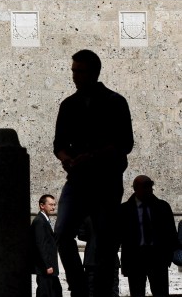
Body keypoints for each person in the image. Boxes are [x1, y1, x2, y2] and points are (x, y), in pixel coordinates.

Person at [53, 49, 134, 297]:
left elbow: (125, 143)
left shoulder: (115, 102)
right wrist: (66, 158)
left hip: (105, 181)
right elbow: (58, 145)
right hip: (76, 179)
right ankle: (78, 287)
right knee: (62, 233)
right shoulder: (68, 105)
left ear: (93, 72)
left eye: (79, 71)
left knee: (105, 241)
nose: (74, 76)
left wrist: (93, 156)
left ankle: (101, 291)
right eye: (73, 71)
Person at [119, 175, 177, 297]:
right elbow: (120, 236)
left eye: (150, 186)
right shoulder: (124, 210)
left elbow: (171, 233)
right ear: (136, 188)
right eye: (145, 186)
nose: (149, 189)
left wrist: (167, 257)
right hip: (135, 258)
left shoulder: (162, 207)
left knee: (161, 292)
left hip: (157, 257)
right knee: (137, 292)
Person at [31, 194, 63, 297]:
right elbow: (41, 245)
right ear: (42, 205)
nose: (53, 207)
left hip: (49, 268)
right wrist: (47, 265)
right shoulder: (39, 221)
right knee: (45, 292)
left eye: (54, 205)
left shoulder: (44, 220)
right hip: (45, 268)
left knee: (54, 291)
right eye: (50, 205)